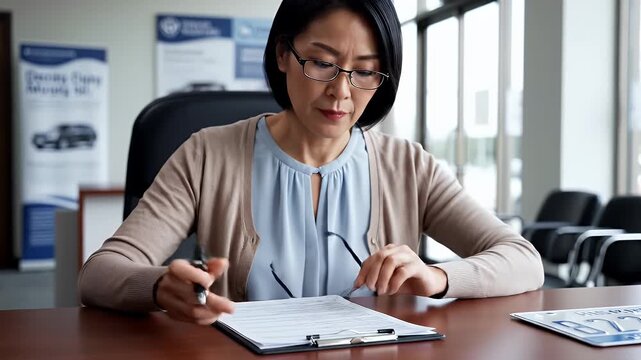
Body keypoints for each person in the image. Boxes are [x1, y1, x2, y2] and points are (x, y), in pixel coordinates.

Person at [79, 0, 543, 325]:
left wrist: (438, 277)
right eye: (321, 63)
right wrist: (160, 286)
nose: (341, 92)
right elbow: (100, 273)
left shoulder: (407, 165)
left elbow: (523, 261)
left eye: (364, 70)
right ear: (283, 54)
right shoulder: (207, 155)